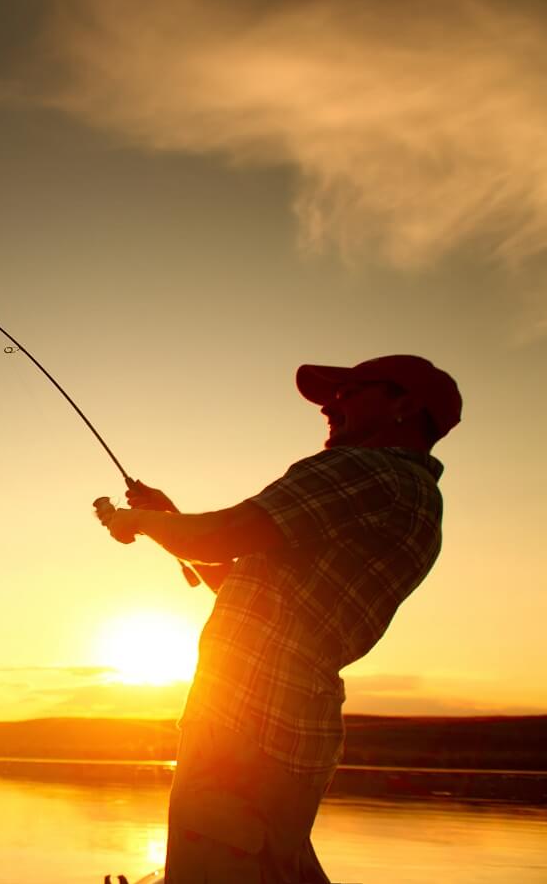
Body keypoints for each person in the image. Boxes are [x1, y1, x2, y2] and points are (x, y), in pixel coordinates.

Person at [94, 355, 462, 884]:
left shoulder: (363, 470)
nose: (330, 407)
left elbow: (225, 534)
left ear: (405, 404)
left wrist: (139, 521)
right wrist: (170, 521)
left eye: (350, 392)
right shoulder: (420, 502)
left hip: (244, 721)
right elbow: (250, 586)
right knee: (274, 867)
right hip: (297, 732)